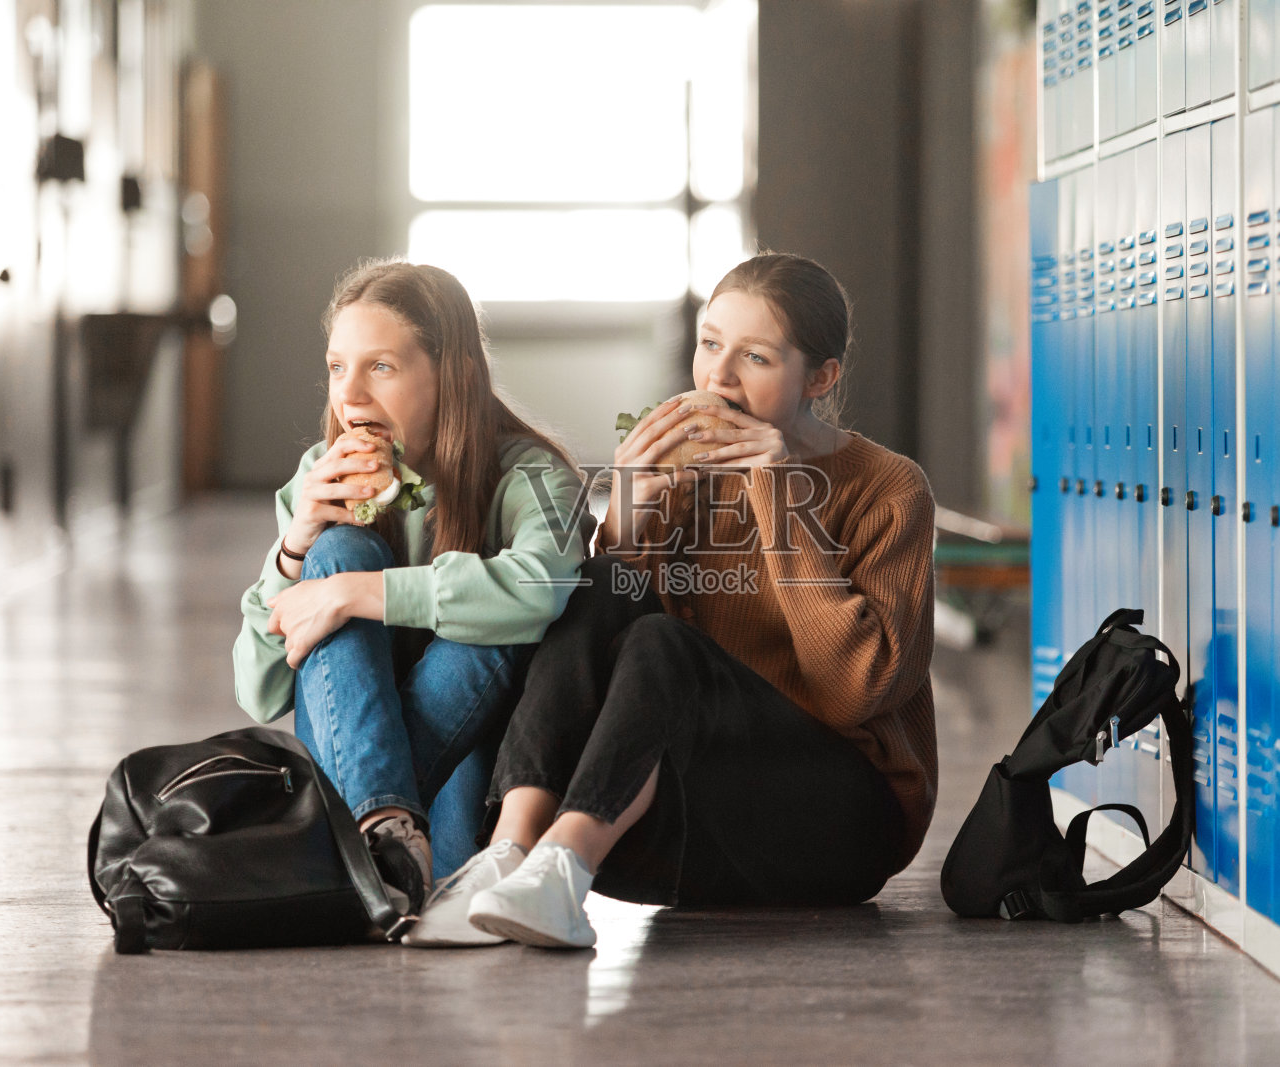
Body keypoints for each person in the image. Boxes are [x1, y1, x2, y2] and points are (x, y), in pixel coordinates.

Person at [410, 252, 938, 949]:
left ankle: (564, 862)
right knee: (602, 586)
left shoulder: (890, 490)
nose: (717, 376)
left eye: (754, 356)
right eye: (710, 343)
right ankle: (513, 852)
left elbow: (852, 693)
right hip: (705, 812)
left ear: (821, 376)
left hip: (845, 822)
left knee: (664, 643)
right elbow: (620, 656)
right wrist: (625, 515)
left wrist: (778, 492)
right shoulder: (691, 470)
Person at [232, 260, 592, 931]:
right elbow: (259, 690)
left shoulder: (535, 475)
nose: (352, 396)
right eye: (339, 367)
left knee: (492, 619)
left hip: (466, 800)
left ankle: (352, 848)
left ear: (449, 372)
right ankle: (382, 836)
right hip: (378, 796)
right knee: (338, 548)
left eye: (382, 367)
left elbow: (541, 589)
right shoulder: (322, 475)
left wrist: (354, 595)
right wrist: (297, 545)